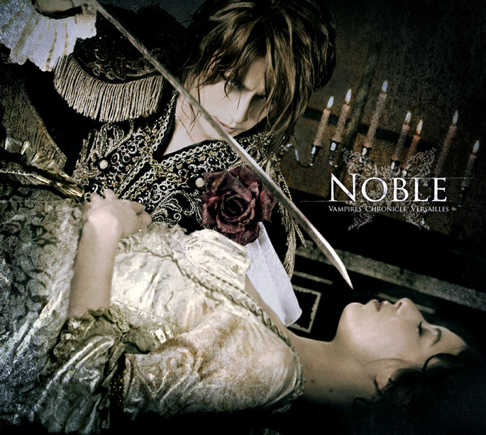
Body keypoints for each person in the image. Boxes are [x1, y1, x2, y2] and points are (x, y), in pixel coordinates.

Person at [0, 0, 338, 327]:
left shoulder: (253, 203)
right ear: (207, 47)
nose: (240, 114)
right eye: (232, 83)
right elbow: (25, 36)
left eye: (265, 98)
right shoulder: (129, 59)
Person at [0, 185, 484, 435]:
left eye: (423, 331)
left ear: (393, 384)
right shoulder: (276, 335)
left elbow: (72, 403)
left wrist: (104, 231)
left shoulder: (268, 369)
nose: (408, 306)